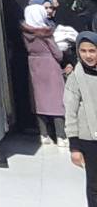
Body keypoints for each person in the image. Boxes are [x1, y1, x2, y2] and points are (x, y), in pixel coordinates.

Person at [25, 0, 67, 145]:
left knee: (39, 100)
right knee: (56, 100)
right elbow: (57, 53)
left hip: (33, 65)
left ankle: (44, 135)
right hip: (50, 65)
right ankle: (61, 136)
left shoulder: (25, 32)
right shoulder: (45, 32)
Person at [63, 31, 97, 207]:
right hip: (89, 139)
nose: (88, 55)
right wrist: (74, 147)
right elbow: (70, 113)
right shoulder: (76, 77)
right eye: (83, 51)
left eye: (92, 50)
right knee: (94, 184)